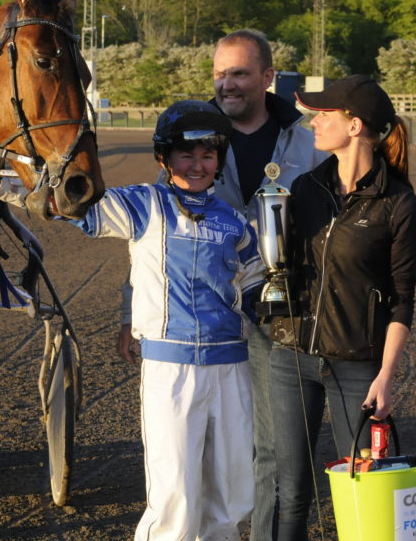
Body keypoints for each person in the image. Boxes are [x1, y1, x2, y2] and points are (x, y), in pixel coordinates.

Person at [116, 30, 326, 541]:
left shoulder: (307, 139)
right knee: (195, 466)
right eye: (219, 74)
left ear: (267, 77)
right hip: (210, 325)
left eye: (239, 73)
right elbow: (157, 237)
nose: (226, 84)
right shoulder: (195, 135)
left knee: (270, 452)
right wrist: (130, 313)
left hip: (287, 313)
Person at [75, 100, 265, 541]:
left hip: (232, 365)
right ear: (164, 157)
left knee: (234, 492)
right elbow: (77, 207)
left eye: (208, 155)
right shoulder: (142, 204)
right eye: (186, 154)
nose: (198, 165)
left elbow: (255, 285)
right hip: (171, 366)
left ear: (219, 160)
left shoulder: (235, 221)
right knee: (175, 492)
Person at [268, 75, 416, 541]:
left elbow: (402, 300)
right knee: (291, 492)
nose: (314, 121)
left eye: (324, 114)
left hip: (358, 368)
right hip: (290, 358)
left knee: (359, 491)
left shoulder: (400, 205)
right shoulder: (304, 188)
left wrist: (386, 376)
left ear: (354, 125)